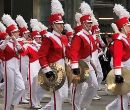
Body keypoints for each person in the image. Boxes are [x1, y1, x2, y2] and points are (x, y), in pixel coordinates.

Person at [38, 0, 68, 110]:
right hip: (53, 68)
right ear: (53, 25)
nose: (61, 26)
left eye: (62, 24)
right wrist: (47, 70)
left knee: (64, 95)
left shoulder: (64, 38)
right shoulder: (48, 37)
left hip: (63, 67)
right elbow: (41, 55)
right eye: (59, 24)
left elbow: (66, 52)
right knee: (58, 96)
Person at [69, 2, 98, 110]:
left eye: (91, 22)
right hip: (79, 64)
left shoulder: (89, 35)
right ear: (83, 23)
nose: (91, 24)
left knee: (94, 85)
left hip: (88, 63)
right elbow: (74, 51)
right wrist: (75, 66)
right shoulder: (79, 36)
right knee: (78, 88)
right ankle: (75, 108)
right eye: (88, 23)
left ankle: (82, 106)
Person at [106, 4, 130, 110]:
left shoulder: (125, 38)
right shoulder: (119, 40)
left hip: (128, 68)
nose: (129, 27)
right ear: (123, 27)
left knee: (125, 95)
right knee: (122, 95)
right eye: (128, 25)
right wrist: (118, 74)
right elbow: (117, 57)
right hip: (123, 69)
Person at [1, 14, 25, 110]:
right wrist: (7, 40)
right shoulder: (5, 42)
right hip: (8, 65)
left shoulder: (17, 42)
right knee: (9, 88)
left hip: (16, 66)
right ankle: (7, 108)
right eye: (16, 32)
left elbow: (22, 50)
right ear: (11, 33)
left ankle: (12, 104)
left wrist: (16, 41)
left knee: (21, 87)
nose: (18, 33)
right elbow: (1, 48)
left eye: (18, 32)